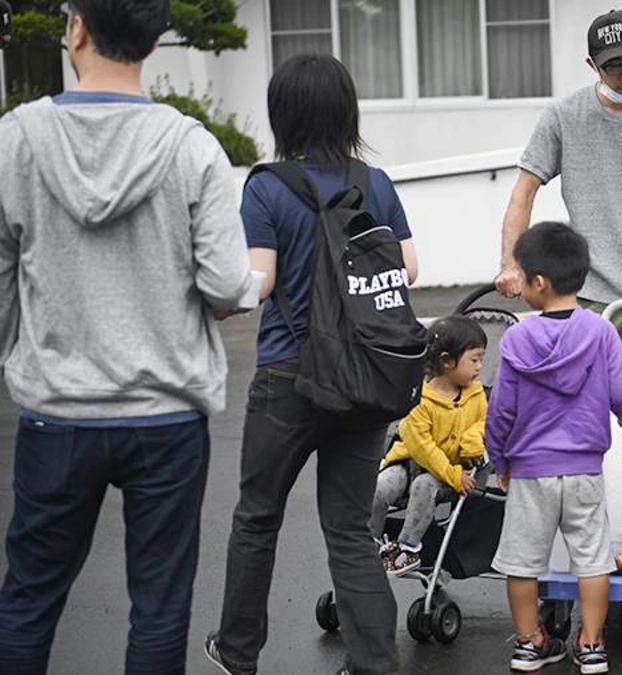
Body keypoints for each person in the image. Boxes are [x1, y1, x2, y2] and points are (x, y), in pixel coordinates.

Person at [0, 1, 254, 672]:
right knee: (160, 606)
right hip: (166, 417)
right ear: (154, 40)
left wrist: (19, 356)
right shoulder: (191, 145)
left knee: (27, 599)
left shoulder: (16, 139)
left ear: (76, 29)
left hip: (55, 411)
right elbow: (228, 288)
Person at [204, 54, 417, 675]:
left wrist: (206, 304)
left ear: (284, 114)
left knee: (257, 517)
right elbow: (408, 271)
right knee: (350, 527)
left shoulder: (267, 187)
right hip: (366, 377)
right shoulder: (373, 183)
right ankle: (375, 662)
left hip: (288, 379)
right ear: (345, 111)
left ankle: (238, 654)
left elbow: (258, 282)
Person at [495, 9, 622, 400]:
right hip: (582, 291)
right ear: (592, 64)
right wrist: (510, 262)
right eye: (613, 67)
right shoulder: (563, 116)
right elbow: (524, 191)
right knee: (576, 408)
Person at [488, 222, 622, 674]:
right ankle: (592, 643)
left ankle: (529, 642)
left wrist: (500, 457)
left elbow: (501, 409)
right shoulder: (600, 332)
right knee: (593, 558)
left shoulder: (518, 338)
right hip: (583, 469)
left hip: (529, 470)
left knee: (522, 563)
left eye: (521, 275)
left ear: (538, 283)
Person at [371, 316, 489, 577]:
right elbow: (422, 447)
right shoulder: (419, 399)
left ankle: (407, 548)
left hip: (449, 476)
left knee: (423, 486)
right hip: (415, 464)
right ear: (447, 362)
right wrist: (452, 474)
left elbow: (483, 421)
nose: (480, 367)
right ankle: (369, 545)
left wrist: (472, 438)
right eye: (475, 359)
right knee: (379, 487)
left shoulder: (476, 394)